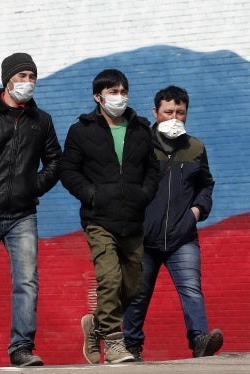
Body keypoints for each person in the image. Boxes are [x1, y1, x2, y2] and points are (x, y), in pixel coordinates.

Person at [60, 69, 159, 364]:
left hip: (133, 219)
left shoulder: (141, 129)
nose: (119, 96)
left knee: (131, 286)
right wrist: (92, 195)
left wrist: (144, 195)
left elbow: (152, 169)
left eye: (123, 91)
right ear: (98, 97)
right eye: (113, 91)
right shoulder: (82, 130)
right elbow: (68, 170)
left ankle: (95, 326)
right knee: (110, 278)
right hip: (98, 219)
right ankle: (114, 342)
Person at [123, 85, 223, 361]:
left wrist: (197, 211)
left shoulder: (195, 148)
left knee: (191, 288)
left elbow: (206, 184)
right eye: (168, 112)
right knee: (138, 294)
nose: (175, 117)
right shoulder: (140, 146)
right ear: (155, 113)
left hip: (183, 237)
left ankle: (200, 340)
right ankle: (131, 346)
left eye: (180, 112)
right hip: (144, 238)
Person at [0, 52, 62, 366]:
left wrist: (33, 187)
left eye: (32, 77)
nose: (28, 83)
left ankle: (21, 349)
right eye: (22, 76)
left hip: (22, 215)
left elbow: (55, 161)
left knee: (27, 282)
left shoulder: (41, 120)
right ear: (8, 79)